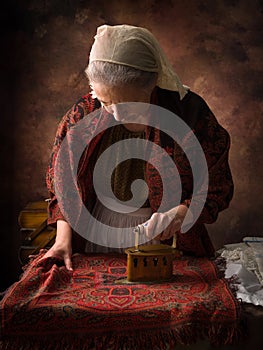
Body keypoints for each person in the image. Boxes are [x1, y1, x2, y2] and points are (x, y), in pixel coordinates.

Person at [44, 24, 234, 271]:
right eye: (106, 102)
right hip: (95, 237)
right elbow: (63, 184)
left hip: (169, 244)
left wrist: (180, 213)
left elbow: (216, 187)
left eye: (131, 105)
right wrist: (62, 240)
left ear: (153, 85)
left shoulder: (189, 113)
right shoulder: (82, 115)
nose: (118, 114)